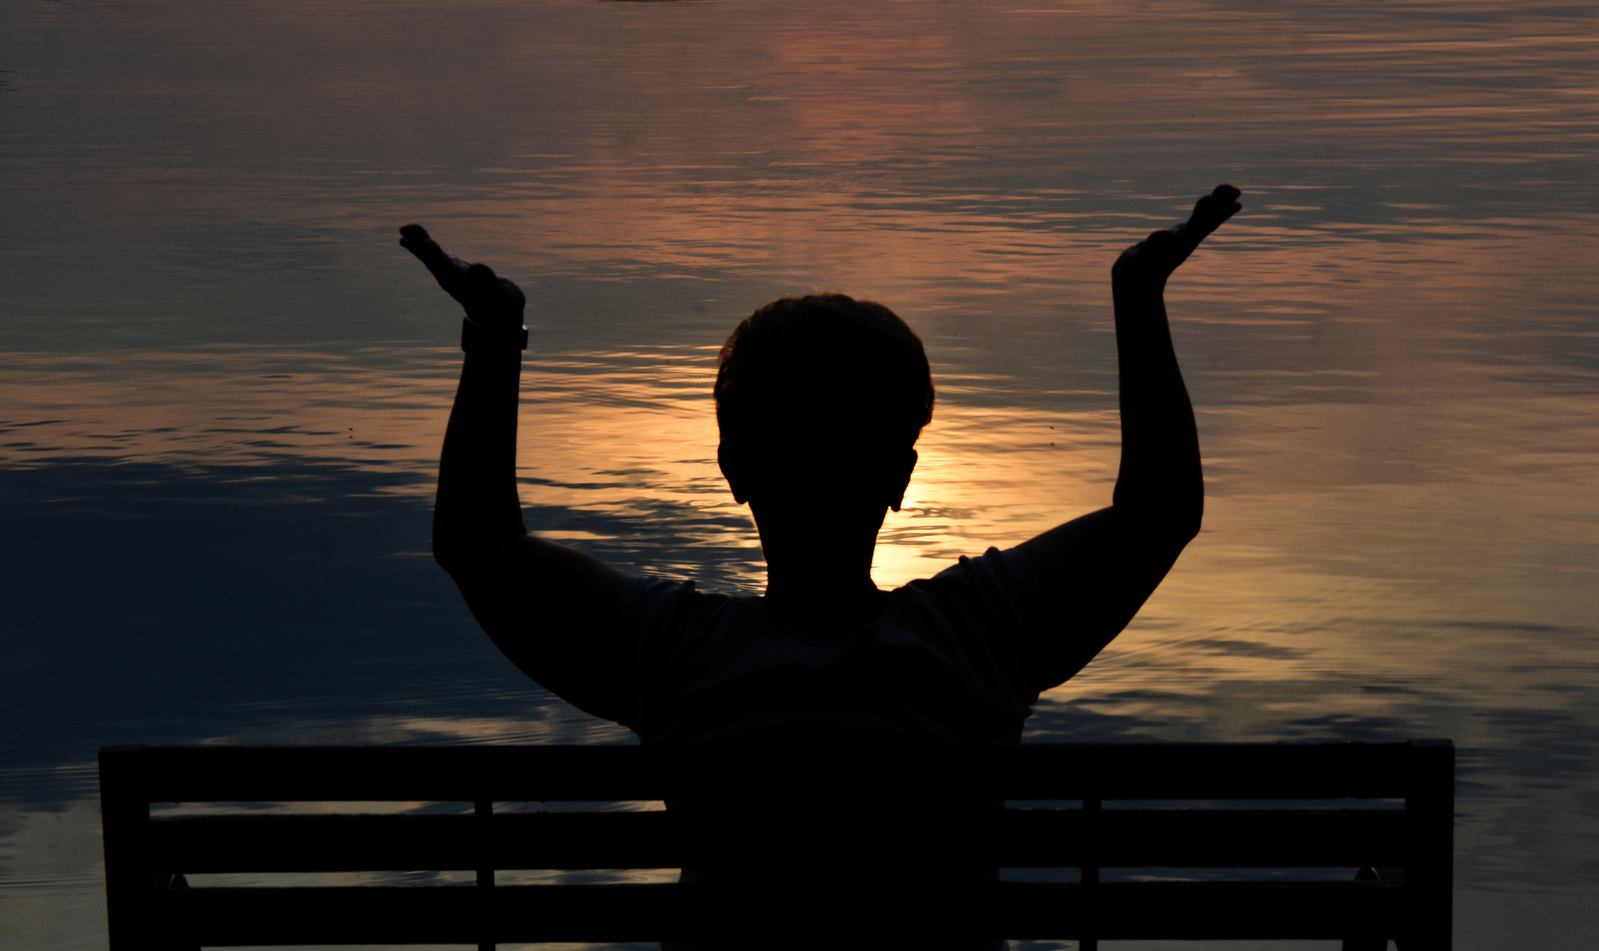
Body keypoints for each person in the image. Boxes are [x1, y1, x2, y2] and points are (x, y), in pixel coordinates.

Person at [400, 183, 1239, 942]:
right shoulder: (984, 634)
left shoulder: (669, 655)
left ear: (732, 469)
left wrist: (495, 339)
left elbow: (477, 545)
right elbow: (1157, 512)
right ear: (902, 477)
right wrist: (1138, 296)